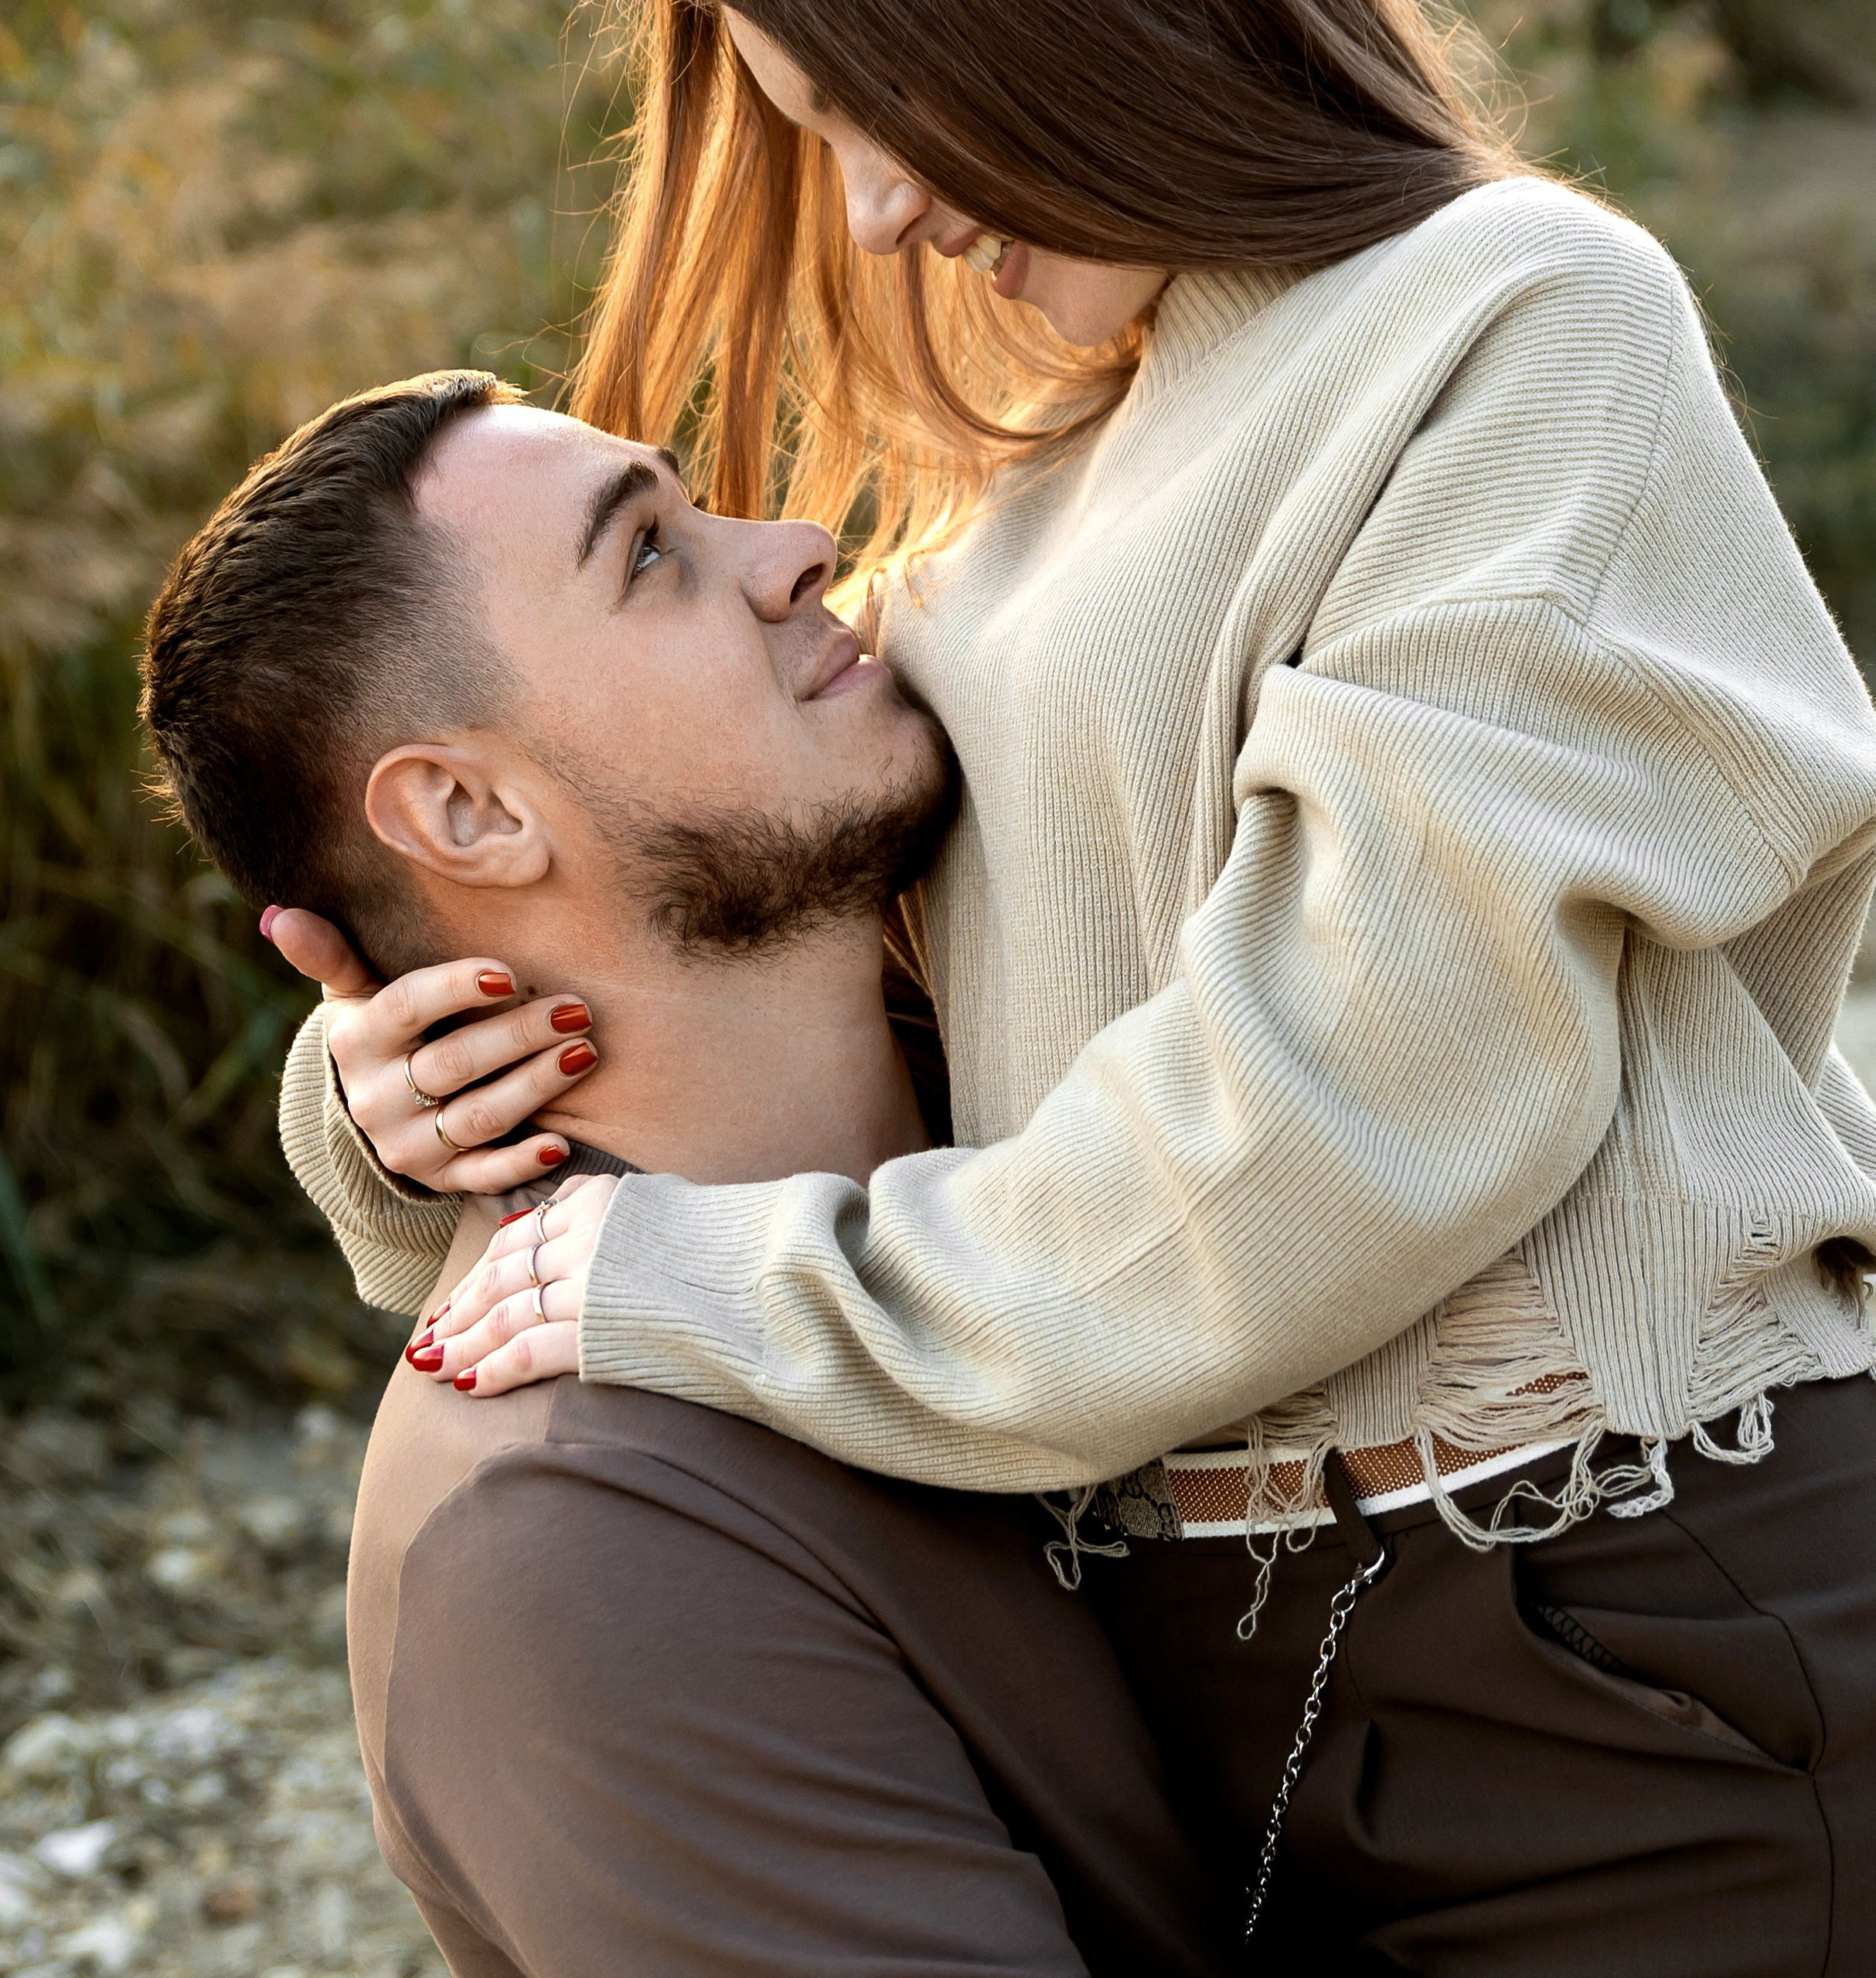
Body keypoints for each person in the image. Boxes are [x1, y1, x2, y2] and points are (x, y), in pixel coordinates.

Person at [268, 1, 1876, 1968]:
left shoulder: (1509, 318)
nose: (866, 211)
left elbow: (1344, 1117)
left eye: (880, 107)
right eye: (816, 131)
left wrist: (705, 1279)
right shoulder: (1049, 440)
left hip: (1613, 1624)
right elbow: (705, 853)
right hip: (1216, 1658)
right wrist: (389, 1099)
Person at [138, 373, 1223, 1977]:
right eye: (649, 554)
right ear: (467, 809)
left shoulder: (1105, 1129)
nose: (794, 546)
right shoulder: (577, 1547)